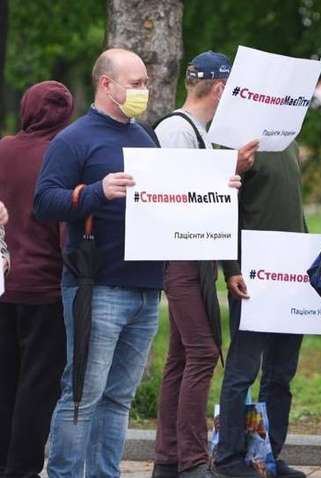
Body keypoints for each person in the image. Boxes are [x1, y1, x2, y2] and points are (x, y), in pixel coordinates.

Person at [34, 48, 238, 477]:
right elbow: (44, 202)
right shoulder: (75, 139)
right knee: (83, 395)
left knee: (117, 398)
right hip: (97, 286)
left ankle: (105, 472)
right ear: (106, 84)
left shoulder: (144, 138)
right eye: (136, 83)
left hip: (146, 288)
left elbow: (175, 201)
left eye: (145, 82)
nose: (144, 91)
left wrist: (218, 189)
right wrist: (94, 191)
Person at [153, 51, 258, 478]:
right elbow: (168, 197)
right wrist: (226, 171)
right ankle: (192, 461)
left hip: (196, 258)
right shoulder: (176, 131)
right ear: (219, 89)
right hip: (180, 257)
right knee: (201, 354)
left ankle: (168, 458)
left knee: (181, 358)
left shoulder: (196, 130)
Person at [211, 121, 307, 477]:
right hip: (252, 276)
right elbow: (226, 208)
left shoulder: (290, 141)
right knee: (243, 370)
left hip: (290, 275)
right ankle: (228, 458)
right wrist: (231, 267)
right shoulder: (235, 143)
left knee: (282, 371)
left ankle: (267, 456)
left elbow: (294, 211)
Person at [0, 81, 72, 478]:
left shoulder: (3, 149)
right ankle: (23, 469)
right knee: (38, 386)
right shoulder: (61, 156)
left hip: (4, 281)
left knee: (5, 380)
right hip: (46, 288)